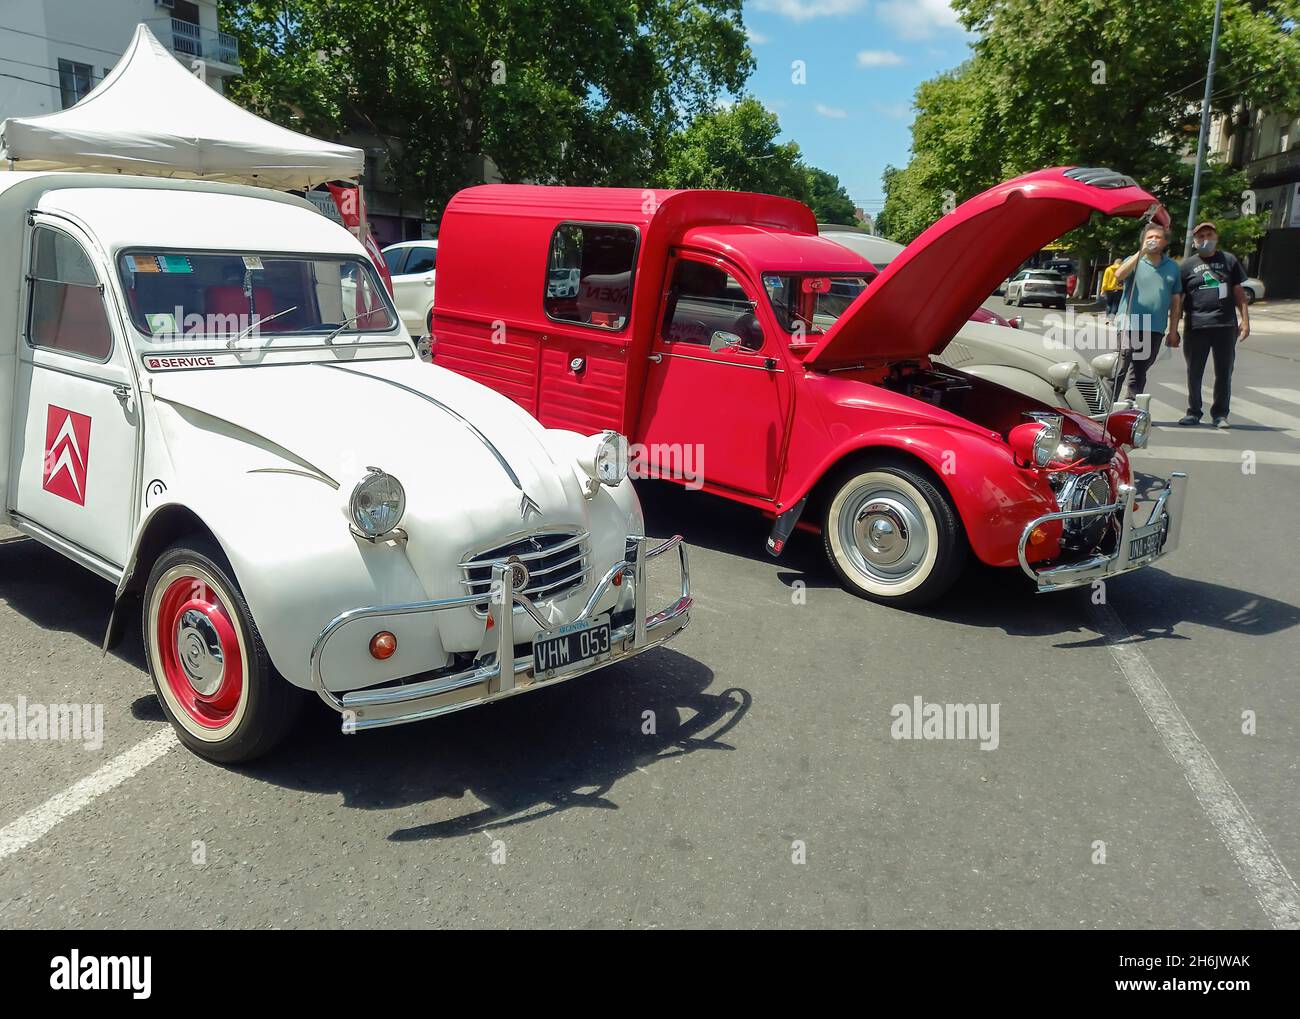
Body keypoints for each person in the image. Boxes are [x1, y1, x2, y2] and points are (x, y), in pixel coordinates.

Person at [1174, 222, 1250, 429]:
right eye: (1200, 236)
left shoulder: (1229, 260)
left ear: (1216, 236)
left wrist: (1245, 320)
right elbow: (1178, 298)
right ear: (1195, 241)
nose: (1205, 239)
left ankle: (1220, 414)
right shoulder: (1187, 265)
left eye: (1209, 234)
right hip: (1196, 326)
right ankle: (1194, 411)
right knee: (1194, 371)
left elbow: (1239, 293)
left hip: (1225, 325)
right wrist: (1173, 328)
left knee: (1224, 372)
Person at [1113, 222, 1182, 401]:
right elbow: (1119, 275)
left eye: (1157, 237)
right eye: (1149, 237)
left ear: (1165, 242)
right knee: (1120, 366)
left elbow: (1176, 301)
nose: (1153, 240)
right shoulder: (1134, 260)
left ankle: (1130, 406)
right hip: (1129, 324)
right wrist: (1140, 252)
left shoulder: (1172, 267)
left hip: (1155, 328)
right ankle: (1105, 406)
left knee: (1140, 369)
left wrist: (1173, 330)